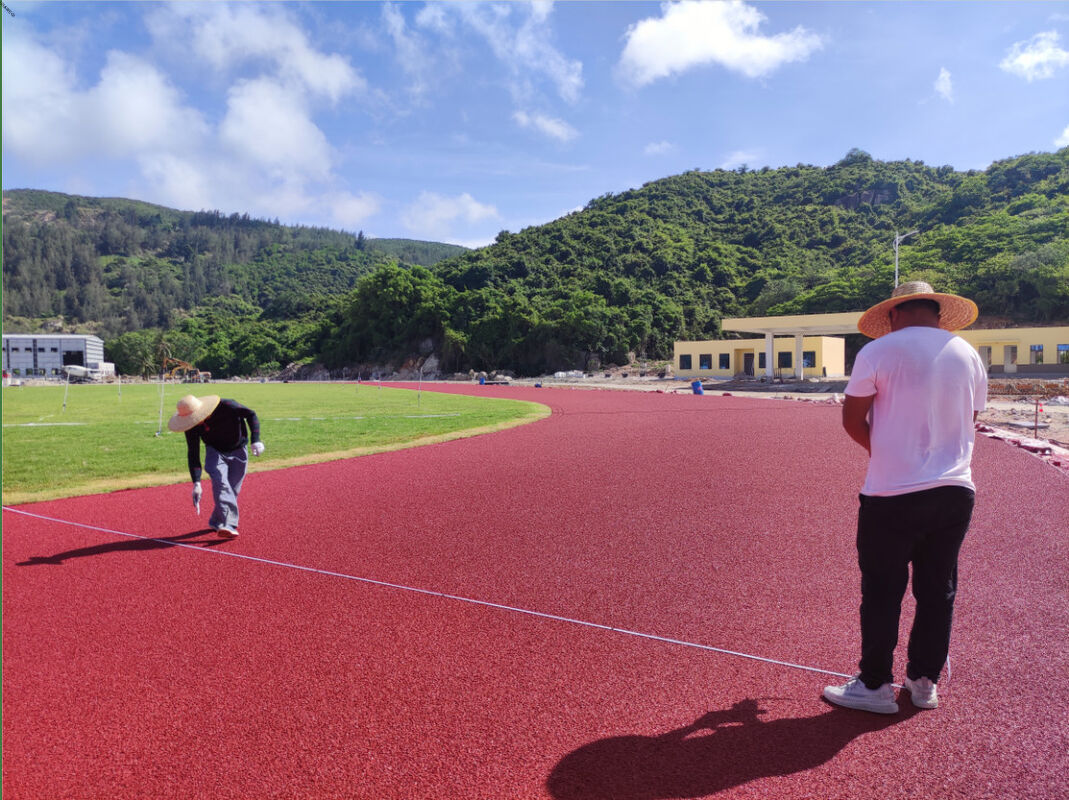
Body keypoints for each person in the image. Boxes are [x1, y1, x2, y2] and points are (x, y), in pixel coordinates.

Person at [823, 281, 986, 714]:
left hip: (892, 493)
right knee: (938, 590)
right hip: (955, 490)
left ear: (893, 314)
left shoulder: (878, 351)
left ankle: (874, 685)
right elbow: (968, 419)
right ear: (938, 313)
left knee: (882, 590)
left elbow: (852, 419)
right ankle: (924, 682)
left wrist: (888, 453)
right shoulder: (968, 353)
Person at [168, 394, 264, 538]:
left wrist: (256, 440)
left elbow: (251, 414)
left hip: (239, 449)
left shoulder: (227, 405)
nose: (195, 422)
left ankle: (216, 521)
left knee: (232, 490)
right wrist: (196, 482)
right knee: (221, 484)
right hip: (215, 451)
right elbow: (193, 452)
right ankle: (228, 525)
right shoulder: (191, 426)